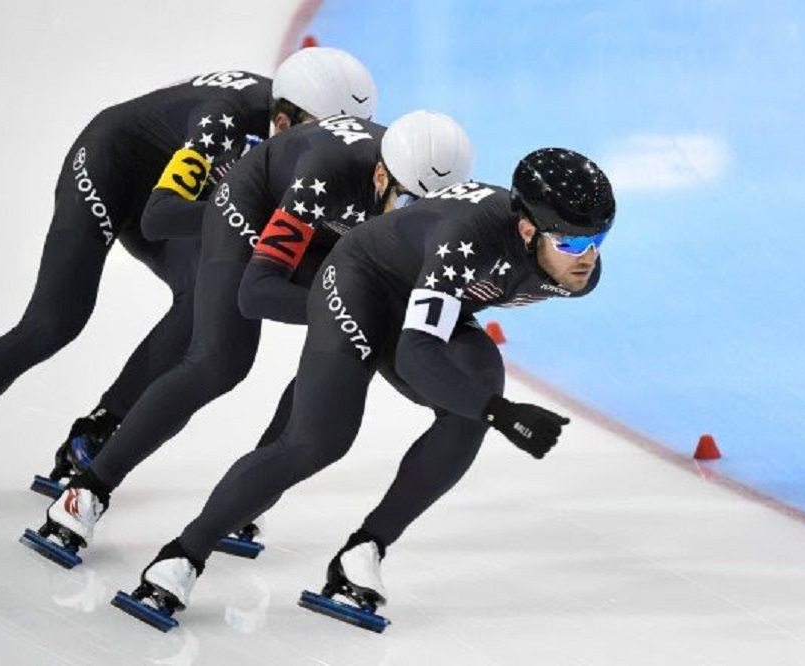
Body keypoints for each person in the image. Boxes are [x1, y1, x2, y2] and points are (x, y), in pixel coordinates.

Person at [0, 47, 378, 516]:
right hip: (111, 167)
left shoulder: (313, 152)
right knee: (53, 322)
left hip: (182, 187)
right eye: (317, 134)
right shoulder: (225, 122)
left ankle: (100, 426)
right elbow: (159, 217)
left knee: (201, 298)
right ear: (282, 120)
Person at [116, 147, 616, 631]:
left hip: (423, 298)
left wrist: (485, 406)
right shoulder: (468, 238)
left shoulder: (573, 274)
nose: (587, 257)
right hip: (361, 282)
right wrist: (500, 413)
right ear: (527, 229)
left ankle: (364, 550)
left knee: (474, 397)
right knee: (320, 440)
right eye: (571, 243)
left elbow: (436, 331)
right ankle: (182, 555)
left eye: (598, 239)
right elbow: (417, 355)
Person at [26, 110, 476, 565]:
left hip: (336, 233)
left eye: (428, 214)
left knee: (343, 356)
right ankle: (89, 489)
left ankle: (248, 496)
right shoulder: (326, 174)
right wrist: (351, 312)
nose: (414, 224)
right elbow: (256, 292)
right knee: (219, 362)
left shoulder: (429, 208)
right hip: (253, 210)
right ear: (381, 175)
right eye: (406, 207)